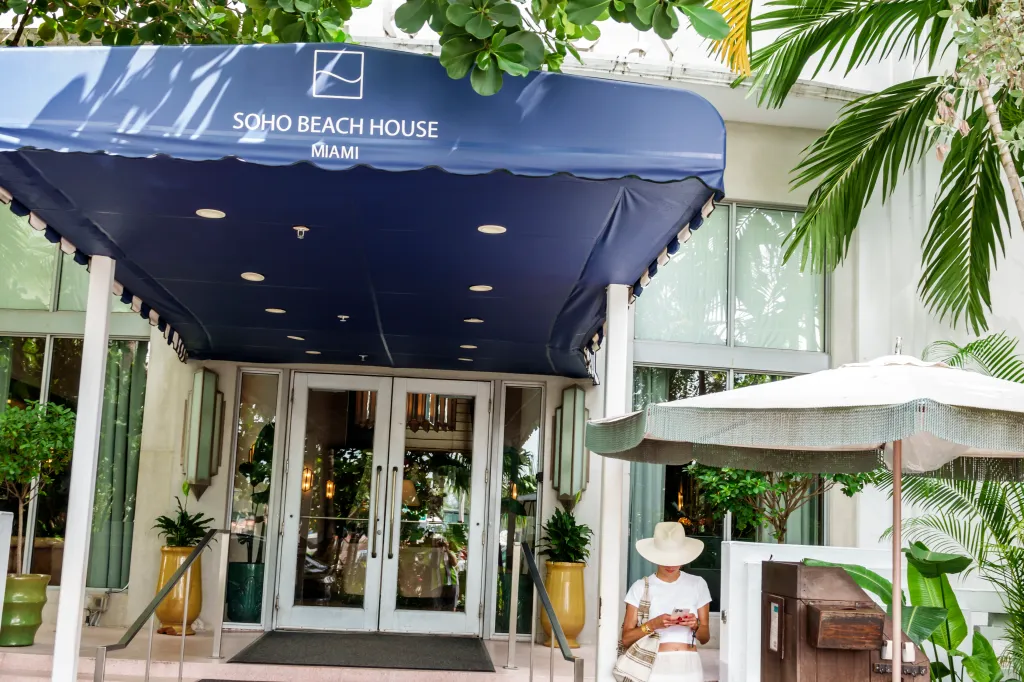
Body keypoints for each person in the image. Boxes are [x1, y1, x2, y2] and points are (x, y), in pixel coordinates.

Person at [621, 522, 711, 682]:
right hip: (652, 667)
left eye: (676, 558)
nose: (671, 564)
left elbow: (705, 637)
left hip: (689, 668)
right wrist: (654, 624)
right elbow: (626, 639)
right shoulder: (640, 587)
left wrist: (695, 624)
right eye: (665, 558)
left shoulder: (698, 584)